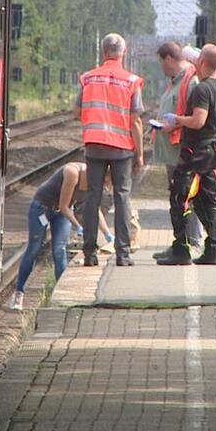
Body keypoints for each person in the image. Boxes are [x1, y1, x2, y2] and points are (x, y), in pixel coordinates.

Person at [74, 33, 144, 267]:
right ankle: (123, 254)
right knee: (122, 196)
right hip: (121, 148)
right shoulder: (130, 81)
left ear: (104, 52)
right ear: (122, 53)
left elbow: (77, 112)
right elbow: (135, 120)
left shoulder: (89, 79)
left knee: (93, 196)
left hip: (94, 145)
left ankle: (89, 254)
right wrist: (140, 153)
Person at [157, 44, 216, 266]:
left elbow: (198, 120)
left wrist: (177, 120)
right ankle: (214, 250)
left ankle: (181, 249)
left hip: (195, 152)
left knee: (179, 197)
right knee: (206, 200)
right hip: (210, 150)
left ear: (202, 62)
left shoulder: (203, 89)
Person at [9, 162, 112, 310]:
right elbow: (64, 205)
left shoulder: (94, 182)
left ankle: (59, 296)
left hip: (62, 213)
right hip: (42, 208)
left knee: (59, 250)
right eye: (103, 182)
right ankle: (19, 293)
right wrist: (78, 226)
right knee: (34, 249)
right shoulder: (72, 173)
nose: (101, 185)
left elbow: (94, 209)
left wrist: (107, 233)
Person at [152, 42, 205, 261]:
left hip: (182, 151)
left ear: (169, 59)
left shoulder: (190, 81)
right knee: (177, 198)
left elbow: (195, 116)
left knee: (185, 197)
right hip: (171, 152)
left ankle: (190, 242)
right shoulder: (174, 82)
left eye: (161, 63)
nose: (162, 68)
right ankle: (179, 242)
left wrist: (172, 125)